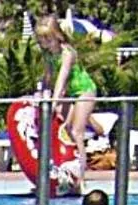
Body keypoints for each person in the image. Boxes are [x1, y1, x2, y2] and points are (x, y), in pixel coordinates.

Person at [36, 17, 97, 164]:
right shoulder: (48, 55)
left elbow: (61, 79)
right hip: (69, 93)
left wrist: (54, 102)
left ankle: (81, 170)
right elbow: (48, 77)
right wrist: (41, 93)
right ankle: (91, 123)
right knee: (65, 128)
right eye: (41, 39)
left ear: (57, 36)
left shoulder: (67, 53)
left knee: (76, 132)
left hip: (84, 90)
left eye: (48, 39)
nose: (45, 43)